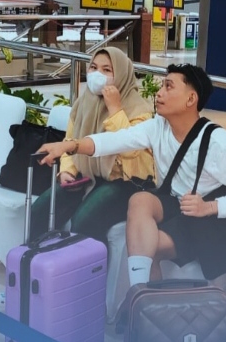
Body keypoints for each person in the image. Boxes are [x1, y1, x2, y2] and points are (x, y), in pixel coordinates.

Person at [37, 63, 226, 286]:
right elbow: (115, 140)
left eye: (169, 86)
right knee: (140, 199)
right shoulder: (158, 127)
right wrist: (69, 146)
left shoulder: (219, 144)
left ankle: (140, 294)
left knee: (147, 246)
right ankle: (141, 293)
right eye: (162, 86)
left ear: (191, 99)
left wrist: (209, 207)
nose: (159, 93)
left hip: (204, 219)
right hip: (175, 203)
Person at [29, 47, 154, 243]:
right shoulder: (83, 102)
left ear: (121, 74)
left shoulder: (139, 109)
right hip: (87, 176)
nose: (97, 74)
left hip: (125, 182)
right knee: (40, 209)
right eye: (93, 68)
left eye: (107, 70)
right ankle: (39, 258)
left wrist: (115, 108)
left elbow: (129, 148)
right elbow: (70, 140)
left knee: (84, 220)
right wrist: (67, 171)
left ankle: (91, 263)